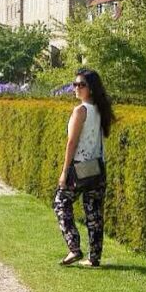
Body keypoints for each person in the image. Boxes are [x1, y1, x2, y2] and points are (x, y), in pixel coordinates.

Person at [53, 69, 114, 268]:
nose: (76, 88)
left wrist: (64, 172)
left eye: (81, 85)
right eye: (75, 84)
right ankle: (94, 258)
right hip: (97, 167)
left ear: (91, 88)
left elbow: (72, 142)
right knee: (94, 213)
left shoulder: (81, 110)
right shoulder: (101, 110)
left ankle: (74, 248)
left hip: (80, 167)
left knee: (61, 203)